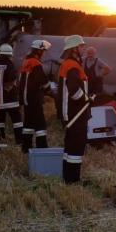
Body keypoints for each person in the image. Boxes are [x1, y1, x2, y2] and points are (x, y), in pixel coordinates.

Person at [57, 35, 92, 184]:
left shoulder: (69, 64)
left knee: (70, 147)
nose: (83, 49)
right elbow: (74, 90)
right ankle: (73, 180)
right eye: (81, 46)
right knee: (76, 147)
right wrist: (86, 99)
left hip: (70, 113)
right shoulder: (72, 66)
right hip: (76, 114)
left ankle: (68, 177)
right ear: (74, 49)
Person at [20, 39, 52, 151]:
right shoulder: (35, 62)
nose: (44, 53)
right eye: (44, 51)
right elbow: (42, 80)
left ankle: (26, 147)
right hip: (34, 98)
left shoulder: (26, 61)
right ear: (39, 51)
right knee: (40, 124)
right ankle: (42, 147)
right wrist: (50, 89)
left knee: (28, 123)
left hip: (26, 98)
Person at [0, 44, 24, 146]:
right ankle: (19, 141)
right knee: (17, 121)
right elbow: (11, 80)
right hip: (11, 101)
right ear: (10, 54)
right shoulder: (10, 64)